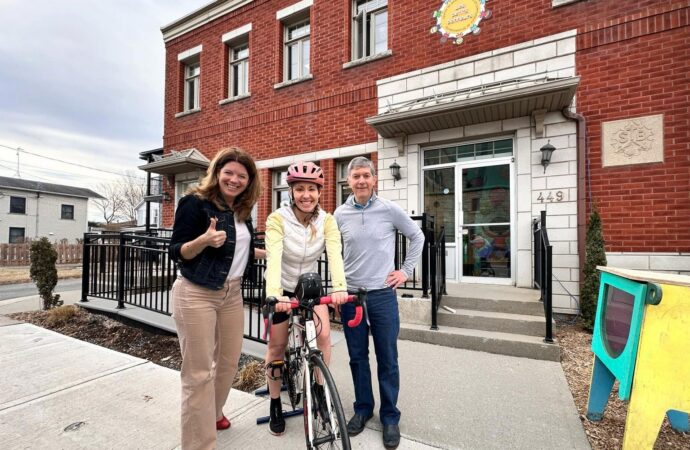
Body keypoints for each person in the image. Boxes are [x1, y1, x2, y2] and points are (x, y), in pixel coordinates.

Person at [169, 147, 264, 450]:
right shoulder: (194, 204)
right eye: (229, 172)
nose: (235, 179)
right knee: (198, 373)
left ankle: (212, 413)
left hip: (232, 294)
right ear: (217, 172)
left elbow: (237, 249)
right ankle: (199, 444)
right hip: (196, 292)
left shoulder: (241, 211)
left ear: (249, 181)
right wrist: (203, 240)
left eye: (242, 175)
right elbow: (177, 251)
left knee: (228, 362)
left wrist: (274, 252)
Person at [334, 156, 424, 450]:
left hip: (383, 295)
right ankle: (362, 409)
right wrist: (337, 289)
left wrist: (406, 271)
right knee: (357, 357)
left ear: (374, 180)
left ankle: (389, 416)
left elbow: (417, 236)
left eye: (366, 176)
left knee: (387, 357)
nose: (361, 181)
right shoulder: (339, 214)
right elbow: (333, 254)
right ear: (348, 181)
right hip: (351, 297)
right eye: (355, 176)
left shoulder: (389, 209)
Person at [263, 161, 349, 435]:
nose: (306, 195)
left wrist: (339, 288)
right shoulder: (277, 219)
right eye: (299, 189)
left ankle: (319, 389)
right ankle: (275, 402)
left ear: (319, 192)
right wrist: (274, 294)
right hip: (283, 289)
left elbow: (335, 254)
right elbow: (273, 258)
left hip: (310, 287)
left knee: (323, 339)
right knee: (276, 348)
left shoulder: (328, 221)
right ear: (291, 191)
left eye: (311, 189)